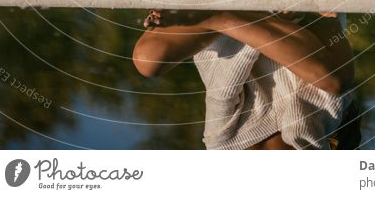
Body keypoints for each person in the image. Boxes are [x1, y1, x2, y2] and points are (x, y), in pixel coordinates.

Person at [132, 9, 360, 150]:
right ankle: (222, 14)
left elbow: (221, 89)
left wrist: (221, 20)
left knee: (148, 60)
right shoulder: (325, 126)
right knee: (335, 81)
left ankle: (219, 13)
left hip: (226, 24)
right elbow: (327, 22)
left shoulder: (223, 145)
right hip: (294, 17)